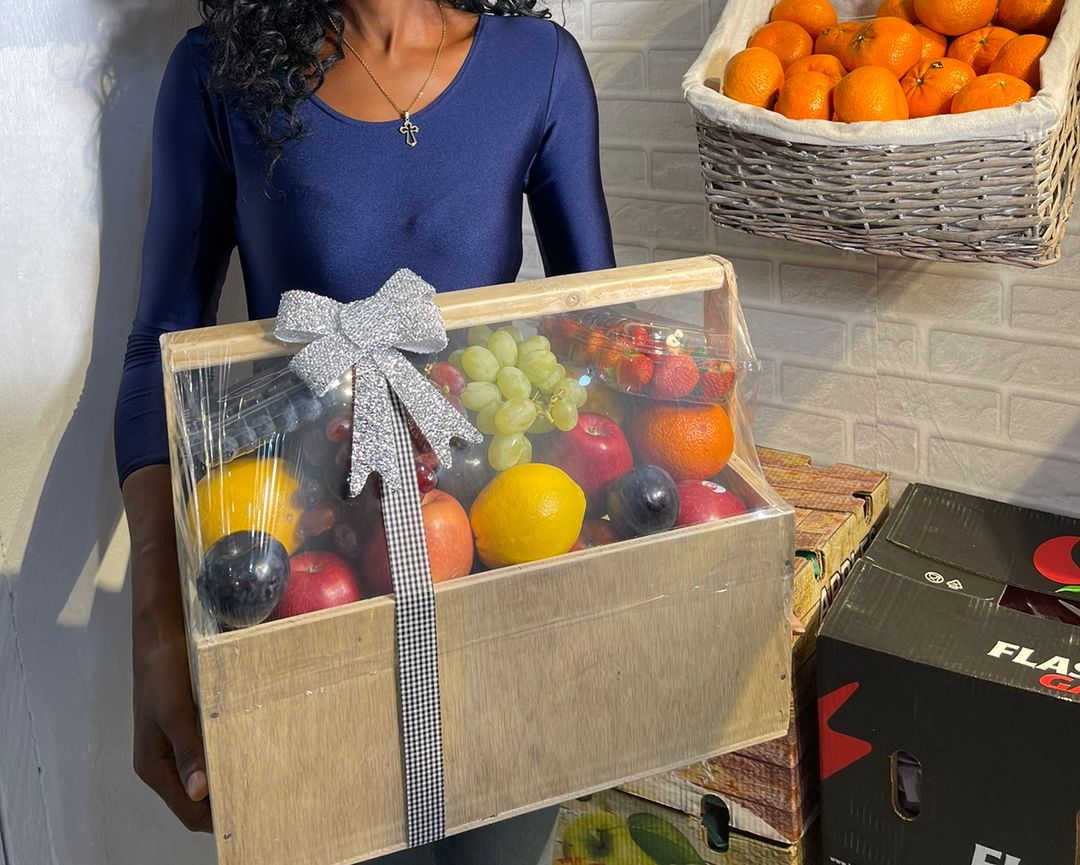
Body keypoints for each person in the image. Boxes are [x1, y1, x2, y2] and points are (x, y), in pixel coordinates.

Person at [114, 0, 615, 861]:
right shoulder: (218, 74)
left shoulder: (542, 67)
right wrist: (156, 630)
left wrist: (616, 590)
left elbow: (594, 338)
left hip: (490, 571)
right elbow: (152, 357)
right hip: (310, 589)